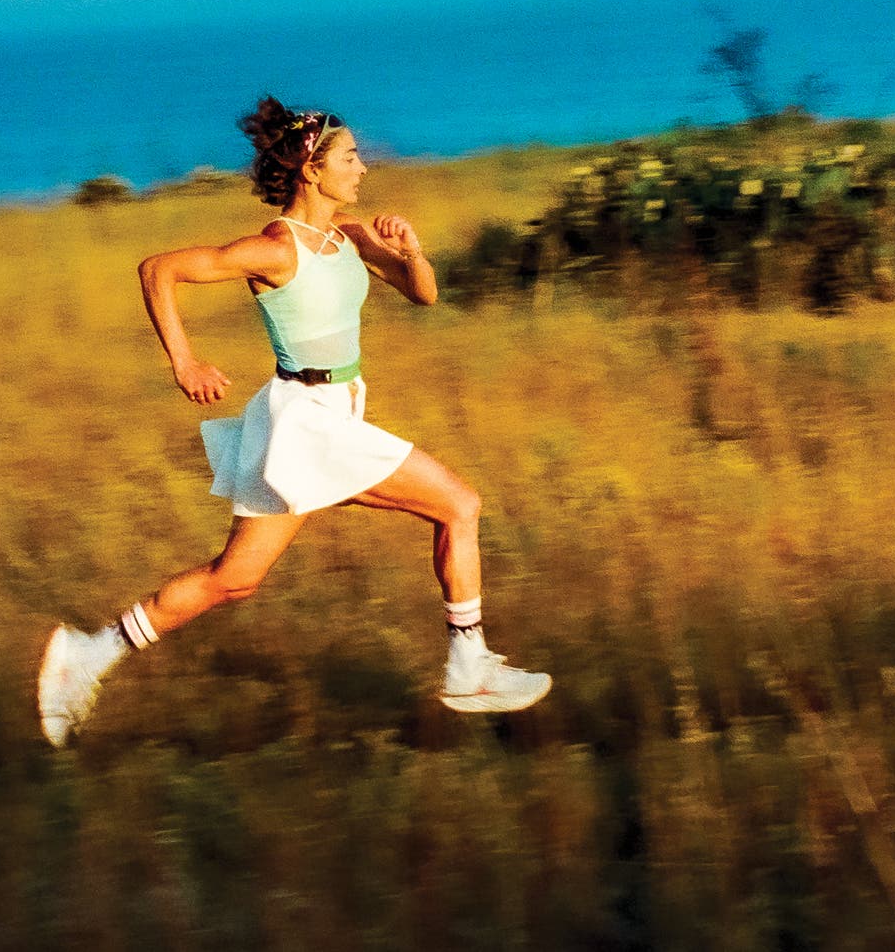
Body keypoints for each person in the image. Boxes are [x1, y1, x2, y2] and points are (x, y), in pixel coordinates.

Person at [36, 99, 551, 746]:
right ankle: (468, 666)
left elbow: (423, 293)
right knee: (459, 505)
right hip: (308, 422)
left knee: (234, 579)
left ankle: (88, 654)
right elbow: (159, 269)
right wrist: (185, 362)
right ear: (312, 169)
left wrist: (411, 252)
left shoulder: (349, 237)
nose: (363, 168)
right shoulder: (276, 250)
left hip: (324, 415)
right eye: (350, 158)